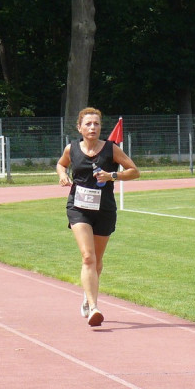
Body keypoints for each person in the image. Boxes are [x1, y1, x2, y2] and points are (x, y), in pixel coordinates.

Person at [56, 108, 140, 327]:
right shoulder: (72, 148)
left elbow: (134, 171)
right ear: (79, 127)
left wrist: (112, 175)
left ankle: (87, 293)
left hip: (104, 209)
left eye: (96, 124)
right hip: (79, 207)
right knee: (87, 257)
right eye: (88, 124)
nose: (92, 127)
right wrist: (63, 175)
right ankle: (94, 307)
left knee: (97, 261)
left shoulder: (111, 149)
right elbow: (61, 163)